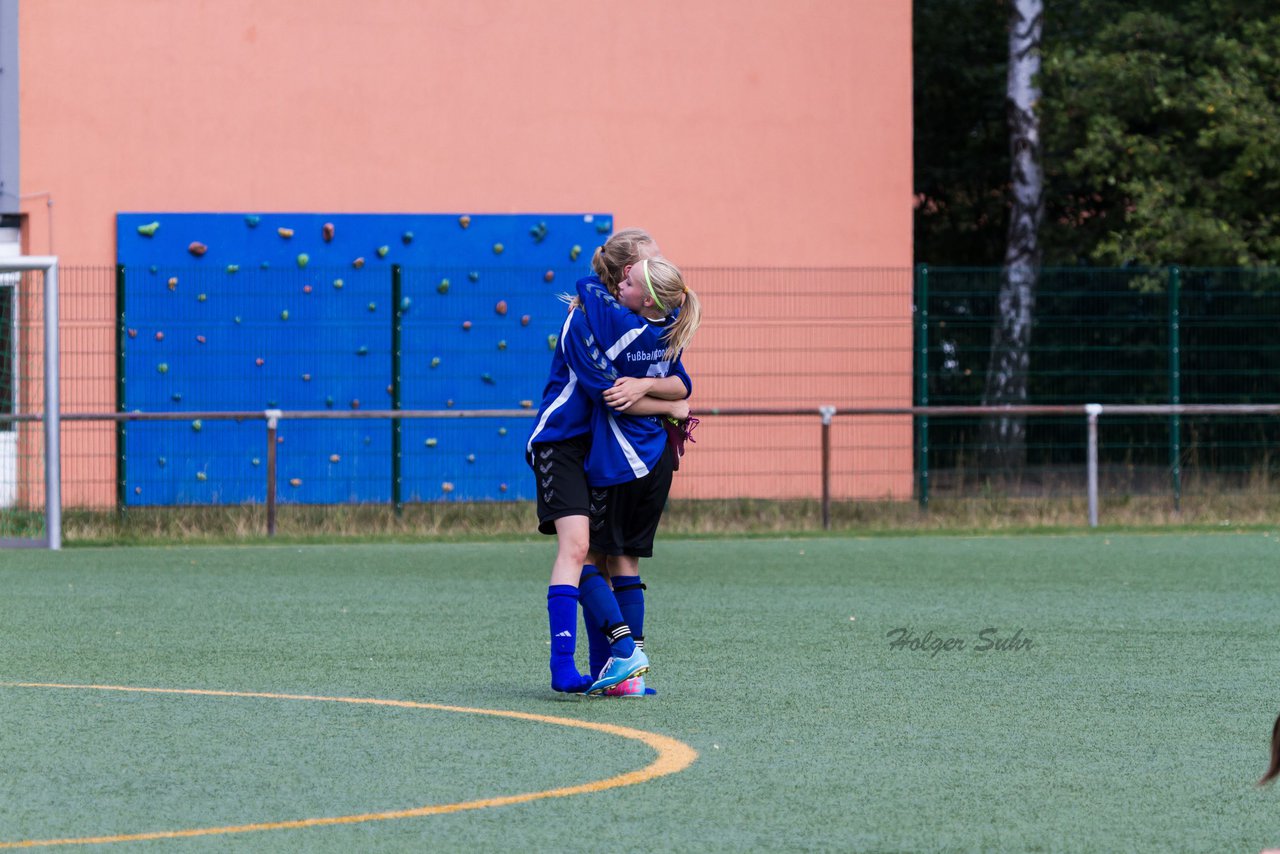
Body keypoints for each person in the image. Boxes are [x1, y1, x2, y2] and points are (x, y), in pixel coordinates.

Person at [527, 230, 691, 694]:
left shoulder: (647, 325)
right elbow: (609, 395)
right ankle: (565, 667)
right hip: (562, 442)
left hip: (604, 446)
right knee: (577, 549)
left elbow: (678, 382)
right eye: (651, 262)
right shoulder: (583, 321)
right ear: (627, 277)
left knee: (602, 554)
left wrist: (648, 388)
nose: (662, 268)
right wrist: (663, 403)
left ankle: (610, 673)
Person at [566, 256, 702, 696]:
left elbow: (587, 283)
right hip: (658, 459)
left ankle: (626, 652)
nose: (620, 282)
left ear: (645, 299)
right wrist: (665, 400)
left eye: (631, 279)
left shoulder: (622, 326)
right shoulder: (670, 325)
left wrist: (607, 269)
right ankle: (632, 678)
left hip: (623, 462)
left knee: (584, 560)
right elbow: (683, 388)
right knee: (625, 560)